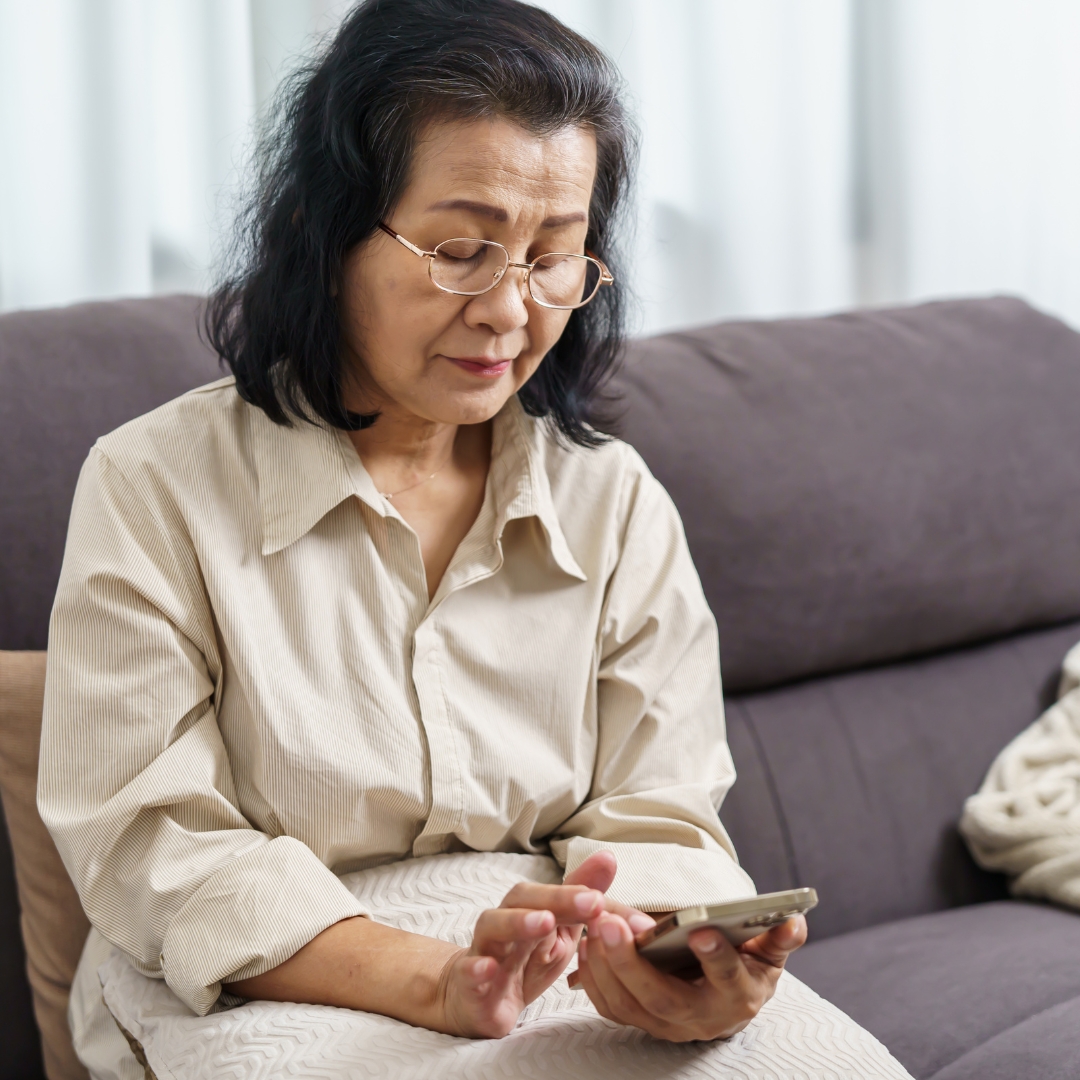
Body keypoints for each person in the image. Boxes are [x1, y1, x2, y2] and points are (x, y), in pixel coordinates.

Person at [39, 1, 912, 1076]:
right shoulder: (154, 484)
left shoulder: (614, 500)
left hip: (547, 943)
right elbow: (154, 848)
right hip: (254, 963)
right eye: (462, 249)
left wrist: (667, 963)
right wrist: (438, 979)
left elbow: (656, 813)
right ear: (326, 229)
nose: (512, 311)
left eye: (556, 257)